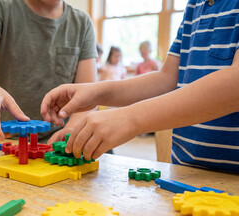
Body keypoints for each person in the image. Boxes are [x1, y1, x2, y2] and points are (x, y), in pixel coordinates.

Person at [40, 0, 239, 172]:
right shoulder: (195, 4)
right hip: (187, 170)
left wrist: (130, 118)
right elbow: (167, 79)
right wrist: (95, 91)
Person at [0, 0, 98, 144]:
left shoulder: (82, 23)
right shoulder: (0, 6)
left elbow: (89, 95)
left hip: (53, 145)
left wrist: (72, 129)